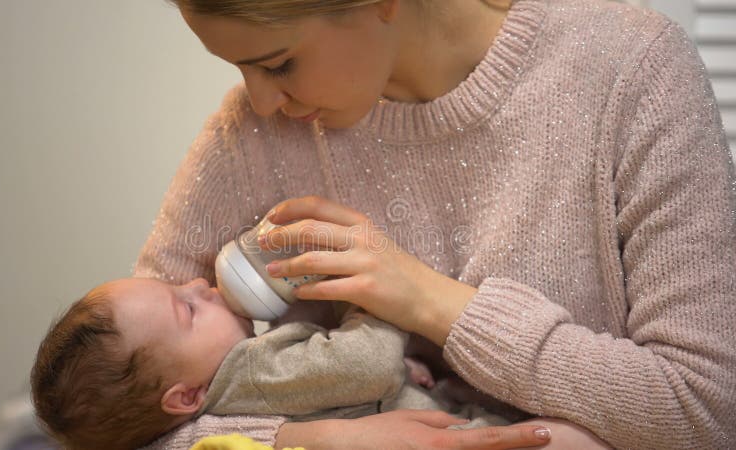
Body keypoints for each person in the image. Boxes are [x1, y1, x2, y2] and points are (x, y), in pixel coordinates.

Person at [134, 0, 736, 449]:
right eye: (242, 68)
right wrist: (314, 442)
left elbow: (708, 412)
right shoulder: (253, 134)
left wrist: (429, 302)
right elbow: (122, 412)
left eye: (280, 63)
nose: (261, 101)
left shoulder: (630, 72)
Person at [30, 276, 511, 449]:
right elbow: (367, 367)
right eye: (188, 309)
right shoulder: (256, 373)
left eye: (179, 287)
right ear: (187, 397)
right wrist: (360, 295)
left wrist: (402, 368)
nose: (198, 284)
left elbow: (346, 379)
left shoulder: (232, 395)